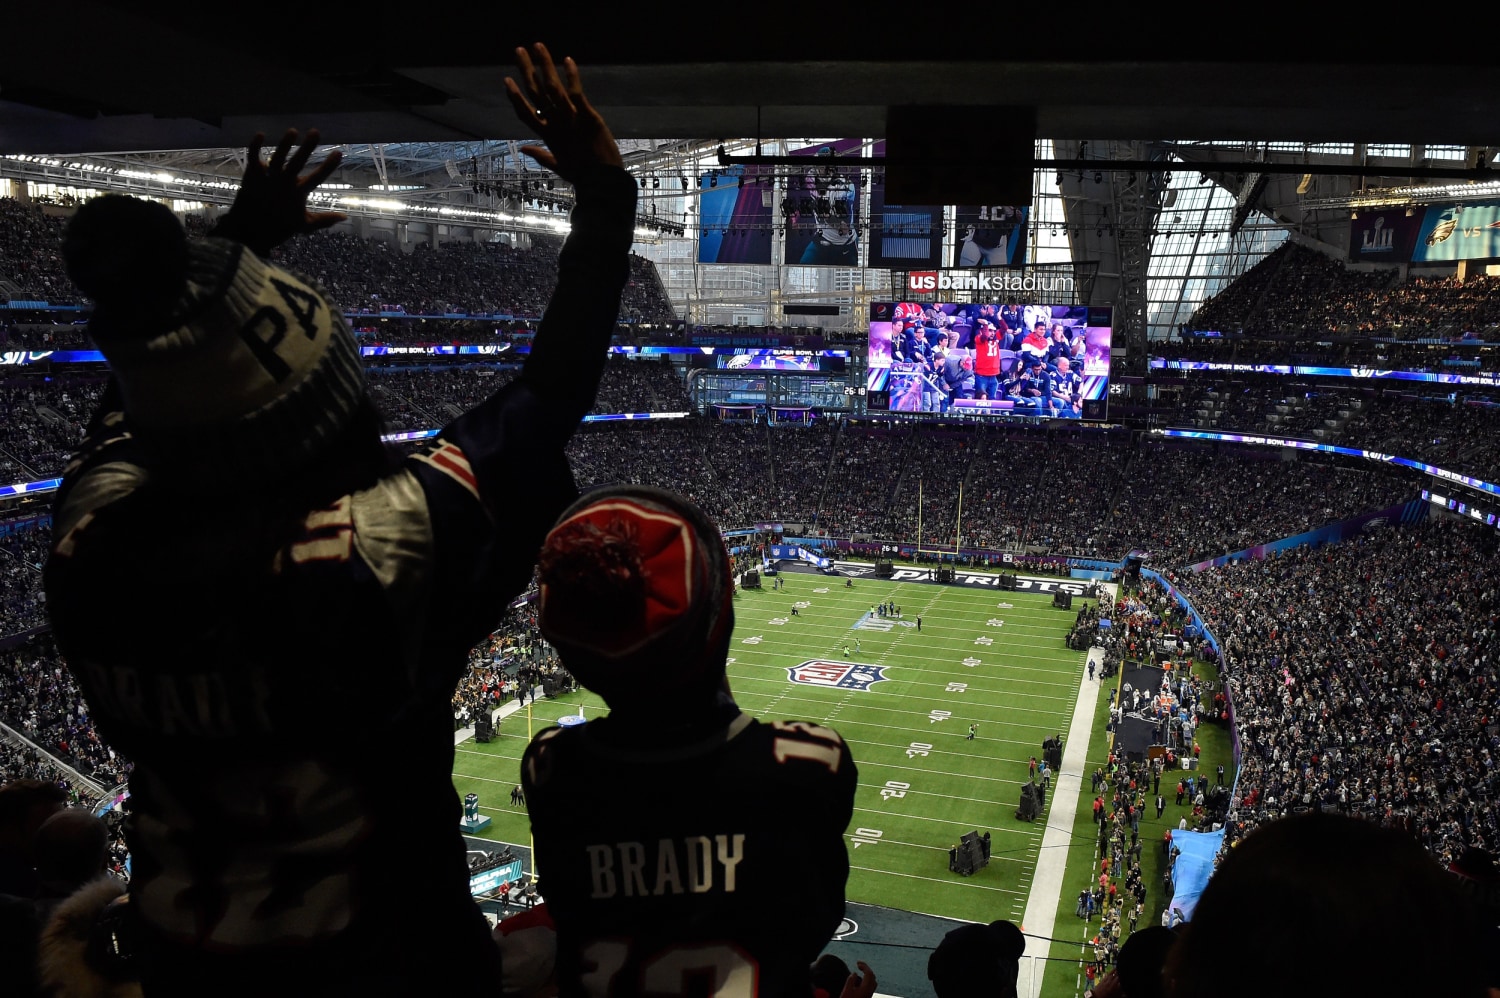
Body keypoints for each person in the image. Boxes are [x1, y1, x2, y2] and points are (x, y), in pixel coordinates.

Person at [43, 44, 634, 996]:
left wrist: (227, 253)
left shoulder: (89, 539)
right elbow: (550, 391)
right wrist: (606, 194)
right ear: (332, 403)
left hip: (184, 963)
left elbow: (144, 399)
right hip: (391, 956)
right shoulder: (388, 544)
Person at [521, 485, 856, 997]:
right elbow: (815, 917)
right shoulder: (809, 763)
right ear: (722, 620)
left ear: (573, 658)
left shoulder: (551, 767)